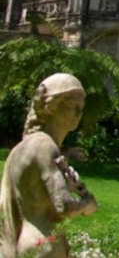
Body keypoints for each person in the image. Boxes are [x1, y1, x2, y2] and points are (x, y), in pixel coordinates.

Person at [0, 74, 98, 257]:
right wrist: (87, 202)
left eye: (81, 108)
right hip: (45, 243)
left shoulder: (24, 147)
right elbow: (64, 206)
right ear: (51, 107)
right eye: (71, 106)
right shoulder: (45, 146)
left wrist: (74, 187)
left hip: (29, 241)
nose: (78, 114)